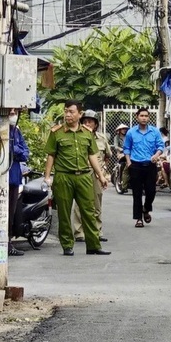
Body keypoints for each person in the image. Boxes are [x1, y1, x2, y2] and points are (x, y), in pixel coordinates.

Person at [44, 100, 110, 256]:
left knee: (89, 211)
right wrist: (47, 177)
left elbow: (92, 156)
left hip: (84, 177)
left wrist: (101, 176)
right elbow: (51, 155)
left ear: (80, 114)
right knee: (64, 213)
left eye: (71, 111)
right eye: (66, 111)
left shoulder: (87, 133)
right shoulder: (56, 132)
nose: (68, 114)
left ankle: (94, 245)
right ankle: (67, 245)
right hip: (63, 176)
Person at [72, 110, 112, 243]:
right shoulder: (76, 136)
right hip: (81, 172)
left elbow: (107, 156)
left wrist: (103, 172)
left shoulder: (102, 138)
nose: (88, 124)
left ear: (96, 124)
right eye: (85, 121)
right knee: (80, 203)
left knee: (97, 203)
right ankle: (79, 233)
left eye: (91, 121)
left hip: (97, 175)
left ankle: (97, 231)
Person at [123, 108, 165, 227]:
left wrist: (156, 155)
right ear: (137, 117)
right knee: (137, 193)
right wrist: (128, 161)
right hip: (135, 165)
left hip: (150, 165)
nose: (144, 118)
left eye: (146, 116)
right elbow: (127, 148)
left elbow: (160, 146)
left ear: (149, 117)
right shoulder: (131, 132)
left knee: (151, 191)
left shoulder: (154, 131)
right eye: (141, 115)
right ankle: (138, 219)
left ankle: (146, 209)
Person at [8, 109, 30, 256]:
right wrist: (17, 150)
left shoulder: (16, 131)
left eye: (15, 110)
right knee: (4, 213)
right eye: (11, 111)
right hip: (3, 177)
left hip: (14, 177)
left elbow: (25, 153)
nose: (13, 113)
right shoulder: (0, 129)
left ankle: (8, 242)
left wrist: (15, 150)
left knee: (11, 212)